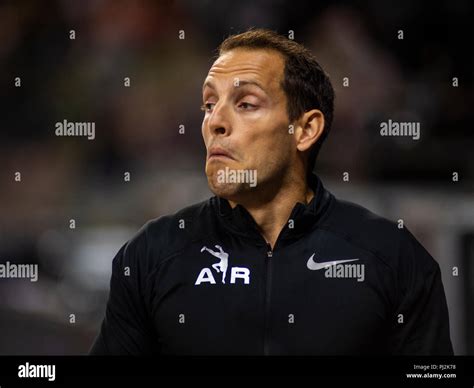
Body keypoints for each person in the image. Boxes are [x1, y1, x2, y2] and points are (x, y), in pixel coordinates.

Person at [89, 28, 453, 355]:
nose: (214, 122)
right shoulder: (150, 255)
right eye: (209, 105)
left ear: (306, 130)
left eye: (246, 104)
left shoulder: (395, 259)